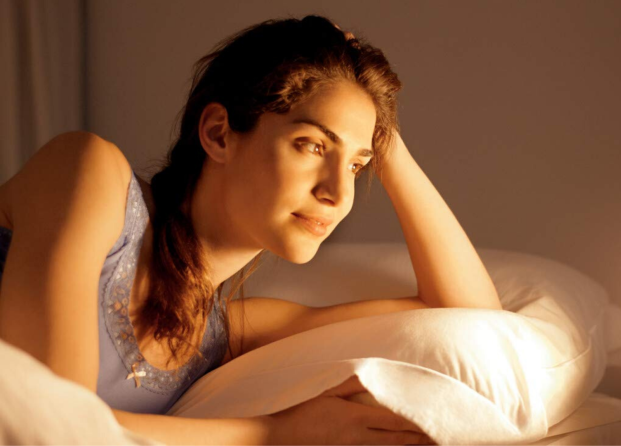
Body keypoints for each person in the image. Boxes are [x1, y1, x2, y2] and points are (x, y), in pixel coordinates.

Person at [0, 14, 501, 445]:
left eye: (356, 166)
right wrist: (273, 433)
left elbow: (472, 317)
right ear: (219, 133)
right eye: (312, 145)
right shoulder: (88, 173)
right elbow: (51, 424)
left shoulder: (222, 334)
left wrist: (384, 140)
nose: (337, 193)